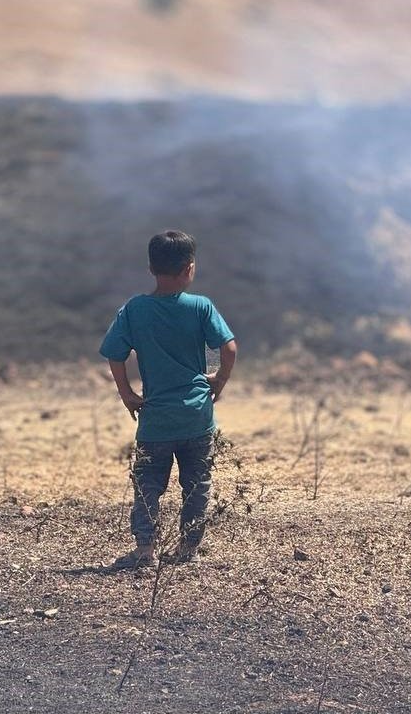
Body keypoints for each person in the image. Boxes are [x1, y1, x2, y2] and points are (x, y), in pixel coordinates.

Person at [99, 230, 237, 568]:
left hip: (155, 419)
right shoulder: (201, 306)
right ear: (190, 268)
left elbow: (114, 354)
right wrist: (218, 380)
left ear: (150, 268)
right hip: (197, 418)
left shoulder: (135, 309)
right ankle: (186, 549)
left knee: (147, 483)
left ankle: (145, 549)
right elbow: (229, 348)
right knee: (197, 484)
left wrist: (127, 393)